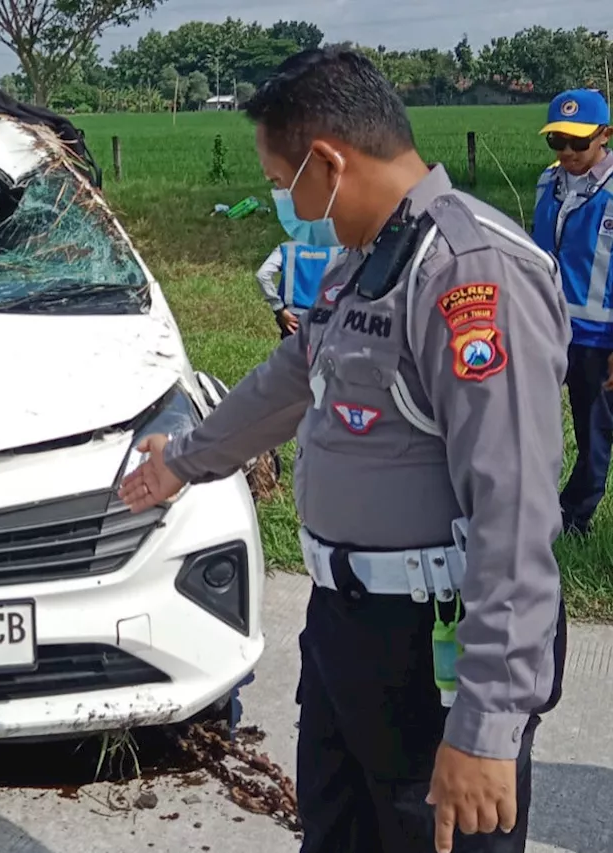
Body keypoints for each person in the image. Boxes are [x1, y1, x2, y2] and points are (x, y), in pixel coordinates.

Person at [119, 47, 568, 853]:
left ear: (329, 161)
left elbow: (516, 514)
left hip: (432, 645)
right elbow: (292, 379)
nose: (283, 203)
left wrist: (487, 726)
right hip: (349, 635)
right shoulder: (367, 263)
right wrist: (183, 459)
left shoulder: (471, 276)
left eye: (283, 183)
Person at [531, 88, 613, 536]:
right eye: (556, 141)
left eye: (578, 143)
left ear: (605, 136)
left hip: (598, 340)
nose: (567, 152)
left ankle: (574, 518)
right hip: (543, 327)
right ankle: (530, 502)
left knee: (593, 435)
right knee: (530, 422)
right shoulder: (549, 182)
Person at [257, 240, 345, 337]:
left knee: (292, 351)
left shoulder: (287, 248)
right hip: (327, 316)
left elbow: (262, 275)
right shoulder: (341, 249)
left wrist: (279, 308)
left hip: (293, 317)